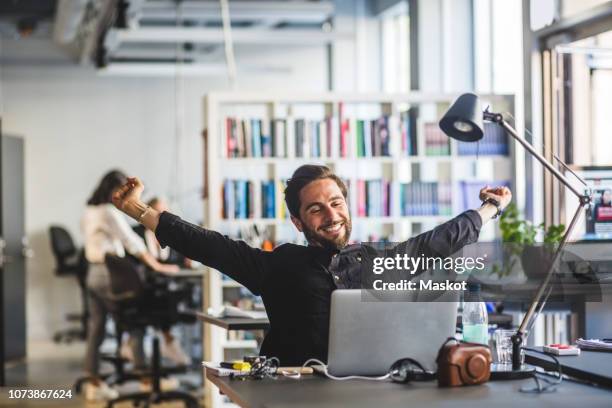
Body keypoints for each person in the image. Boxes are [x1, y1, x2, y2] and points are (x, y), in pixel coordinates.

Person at [112, 165, 512, 366]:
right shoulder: (278, 265)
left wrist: (491, 207)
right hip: (294, 392)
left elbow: (438, 242)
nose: (331, 215)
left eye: (336, 203)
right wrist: (136, 209)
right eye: (316, 208)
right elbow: (208, 246)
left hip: (365, 389)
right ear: (299, 222)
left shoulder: (375, 261)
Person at [81, 170, 179, 401]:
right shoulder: (107, 212)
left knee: (96, 329)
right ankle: (146, 377)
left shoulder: (90, 211)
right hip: (109, 274)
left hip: (92, 273)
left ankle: (93, 382)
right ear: (113, 189)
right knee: (136, 320)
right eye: (122, 189)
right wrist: (157, 266)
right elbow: (132, 242)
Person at [132, 197, 194, 366]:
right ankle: (169, 341)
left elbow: (176, 259)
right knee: (164, 299)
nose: (161, 216)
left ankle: (169, 341)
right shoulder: (136, 233)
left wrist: (187, 258)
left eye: (164, 212)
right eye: (158, 212)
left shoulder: (169, 233)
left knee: (183, 293)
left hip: (166, 284)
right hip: (144, 287)